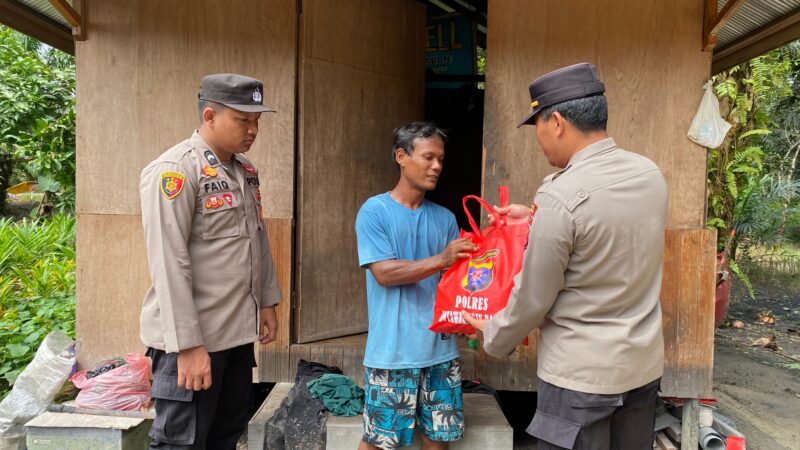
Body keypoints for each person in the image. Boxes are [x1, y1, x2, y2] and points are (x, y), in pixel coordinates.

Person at [462, 63, 668, 450]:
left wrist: (492, 331)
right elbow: (606, 235)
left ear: (556, 122)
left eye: (536, 126)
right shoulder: (648, 174)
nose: (538, 139)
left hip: (581, 382)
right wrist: (539, 219)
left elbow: (534, 297)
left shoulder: (561, 196)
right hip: (641, 368)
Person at [139, 73, 282, 449]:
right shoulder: (175, 171)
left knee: (225, 436)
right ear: (210, 116)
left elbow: (257, 240)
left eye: (256, 121)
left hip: (235, 334)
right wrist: (187, 347)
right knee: (181, 443)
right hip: (192, 340)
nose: (252, 130)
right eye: (242, 120)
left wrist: (267, 301)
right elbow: (169, 263)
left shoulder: (244, 171)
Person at [355, 122, 478, 450]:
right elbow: (385, 273)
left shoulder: (445, 218)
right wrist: (442, 258)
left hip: (441, 352)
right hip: (392, 354)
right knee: (380, 442)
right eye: (428, 157)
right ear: (401, 156)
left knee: (438, 440)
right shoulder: (375, 212)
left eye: (440, 159)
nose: (437, 166)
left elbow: (457, 283)